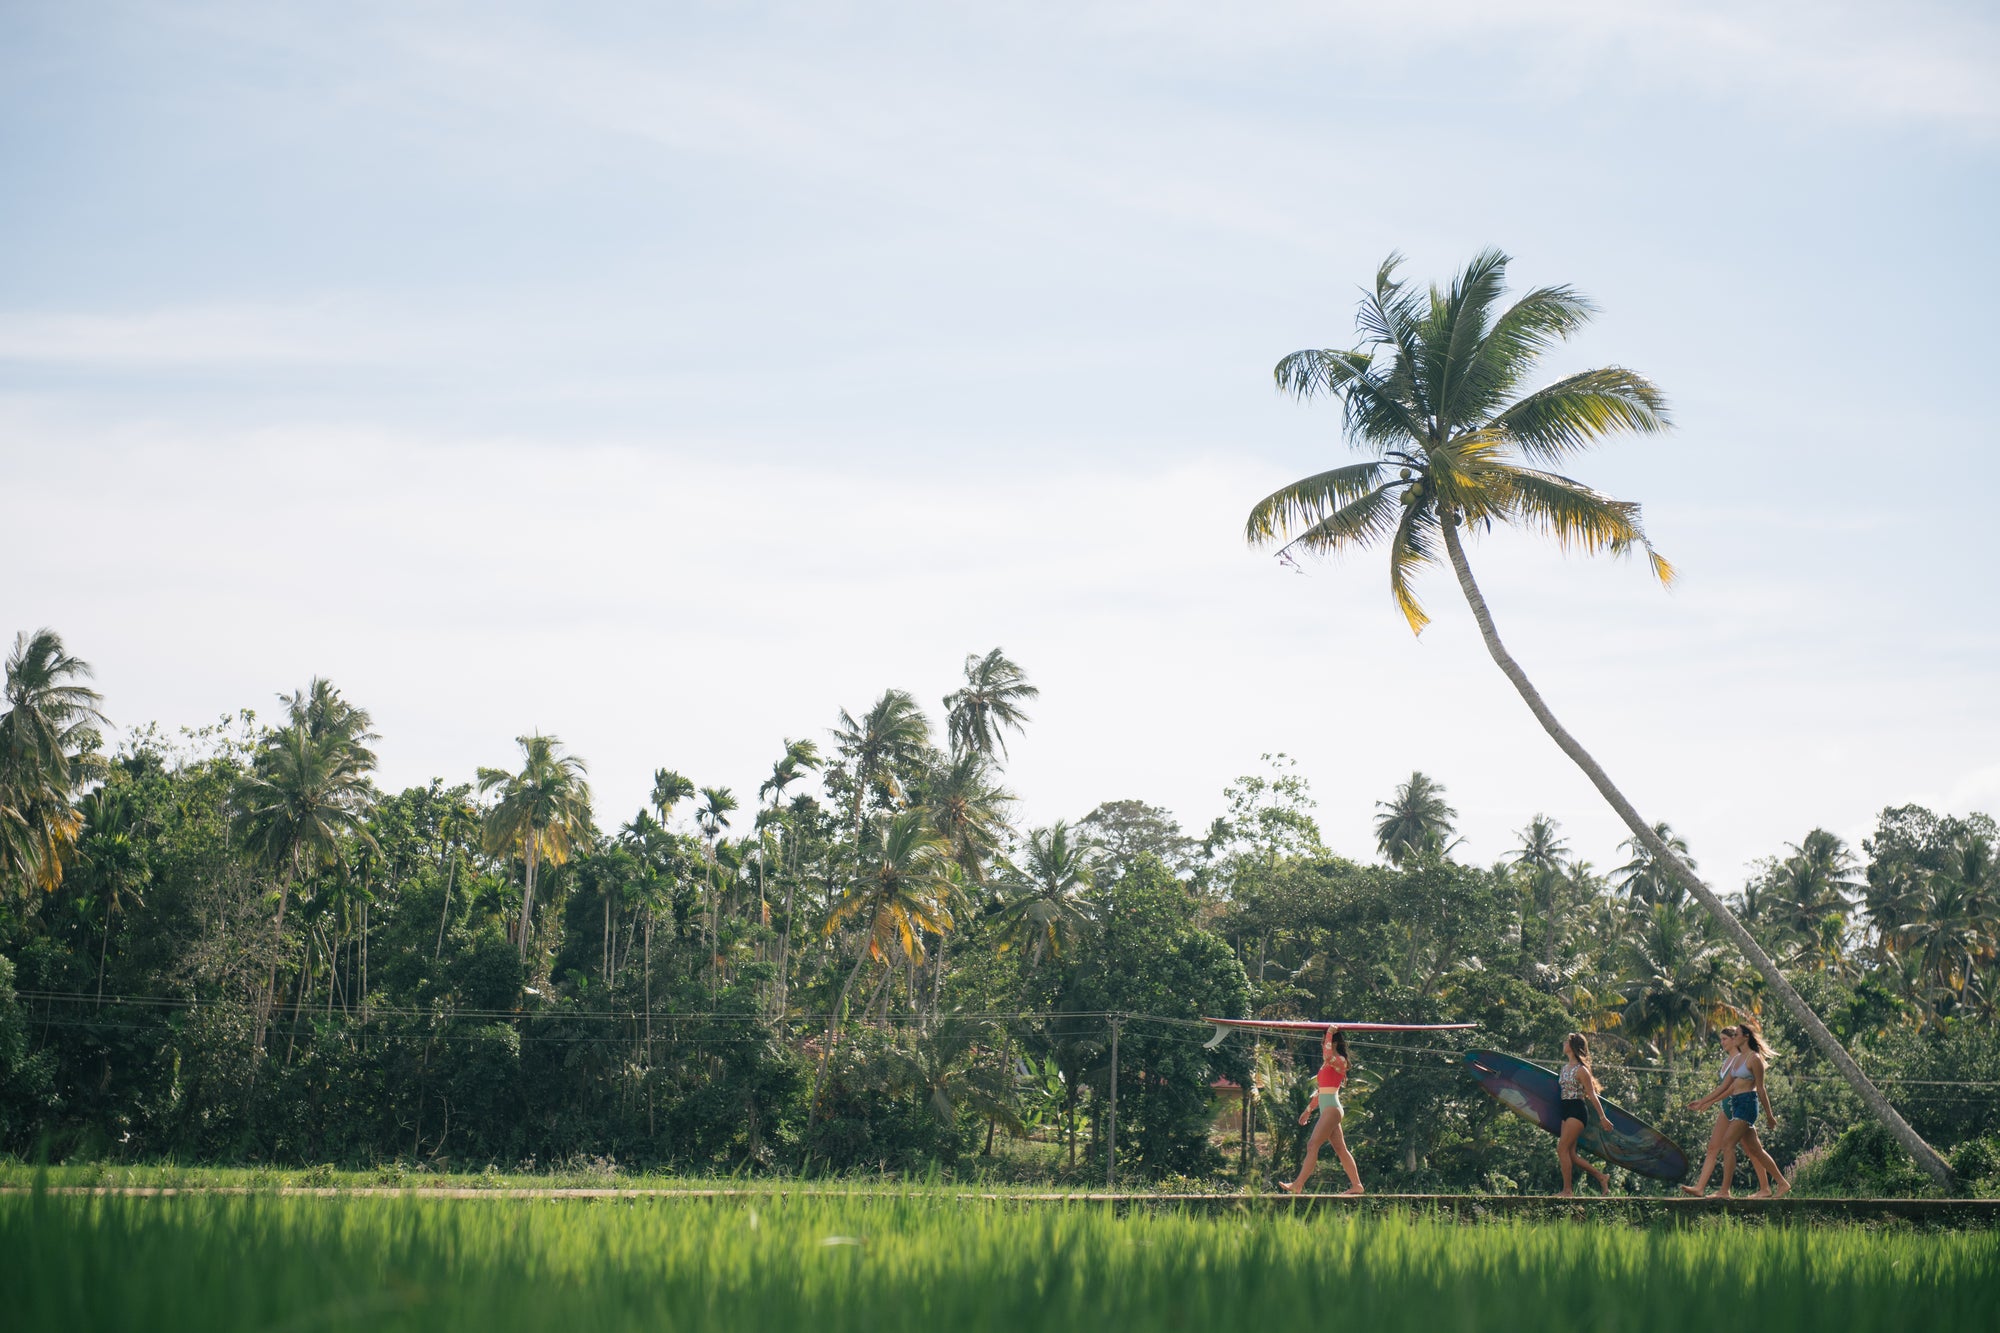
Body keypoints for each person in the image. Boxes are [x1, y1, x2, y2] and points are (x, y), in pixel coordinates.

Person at [1686, 1019, 1789, 1198]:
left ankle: (1724, 1191)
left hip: (1748, 1104)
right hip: (1736, 1104)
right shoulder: (1736, 1061)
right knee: (1756, 1150)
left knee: (1727, 1143)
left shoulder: (1754, 1059)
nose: (1734, 1037)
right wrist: (1702, 1101)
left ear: (1745, 1037)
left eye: (1736, 1035)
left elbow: (1761, 1089)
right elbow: (1724, 1088)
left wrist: (1770, 1116)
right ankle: (1782, 1183)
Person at [1279, 1025, 1364, 1196]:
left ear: (1334, 1041)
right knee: (1340, 1148)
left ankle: (1298, 1184)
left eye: (1326, 1040)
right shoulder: (1327, 1063)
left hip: (1332, 1109)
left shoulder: (1340, 1060)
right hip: (1328, 1108)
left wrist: (1330, 1033)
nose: (1322, 1044)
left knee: (1312, 1145)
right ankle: (1357, 1185)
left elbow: (1327, 1054)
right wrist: (1308, 1110)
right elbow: (1321, 1091)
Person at [1555, 1033, 1613, 1197]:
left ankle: (1567, 1191)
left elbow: (1592, 1095)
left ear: (1573, 1047)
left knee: (1561, 1149)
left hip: (1577, 1111)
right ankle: (1601, 1177)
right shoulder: (1564, 1068)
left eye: (1567, 1041)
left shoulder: (1582, 1070)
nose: (1564, 1043)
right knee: (1571, 1154)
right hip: (1565, 1110)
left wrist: (1602, 1117)